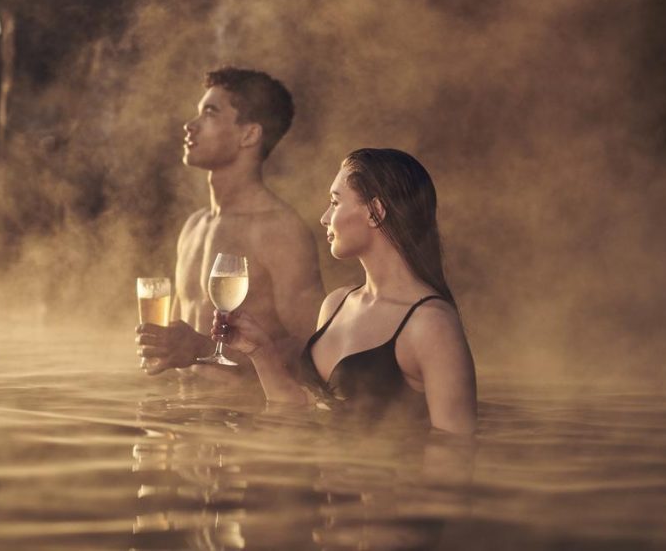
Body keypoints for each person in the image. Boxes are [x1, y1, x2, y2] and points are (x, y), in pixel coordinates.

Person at [212, 148, 477, 434]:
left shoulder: (431, 323)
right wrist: (259, 352)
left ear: (375, 212)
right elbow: (304, 407)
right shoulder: (337, 303)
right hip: (328, 474)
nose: (325, 218)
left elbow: (455, 449)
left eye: (335, 203)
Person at [137, 67, 325, 376]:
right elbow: (179, 346)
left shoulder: (280, 231)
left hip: (248, 418)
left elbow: (315, 348)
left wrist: (204, 351)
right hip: (186, 411)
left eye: (209, 113)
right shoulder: (194, 226)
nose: (190, 125)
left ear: (249, 134)